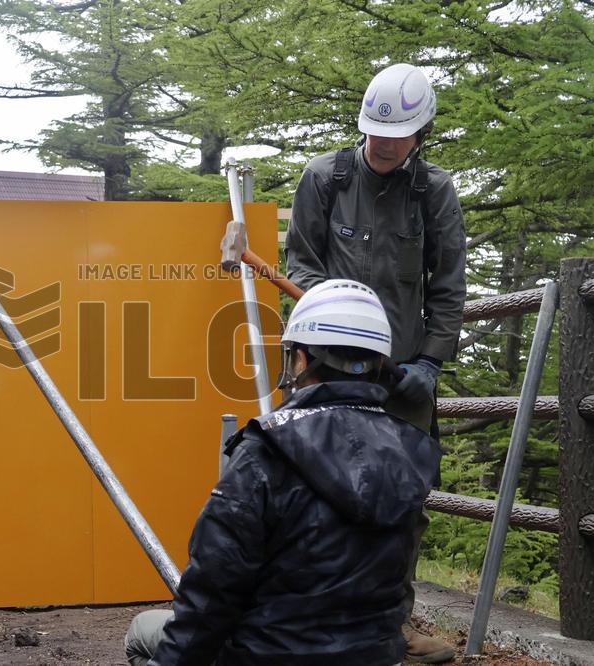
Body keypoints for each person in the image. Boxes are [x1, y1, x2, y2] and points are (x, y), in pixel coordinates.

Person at [124, 280, 441, 666]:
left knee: (142, 630)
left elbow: (212, 593)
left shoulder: (267, 450)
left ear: (302, 360)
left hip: (266, 655)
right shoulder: (409, 451)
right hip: (374, 656)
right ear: (377, 364)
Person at [284, 63, 466, 662]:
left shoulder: (433, 192)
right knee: (308, 489)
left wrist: (433, 361)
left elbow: (447, 287)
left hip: (403, 375)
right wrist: (340, 315)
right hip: (329, 367)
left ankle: (392, 626)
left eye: (399, 133)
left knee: (403, 503)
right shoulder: (325, 178)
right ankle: (302, 618)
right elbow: (302, 266)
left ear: (421, 133)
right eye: (376, 131)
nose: (385, 143)